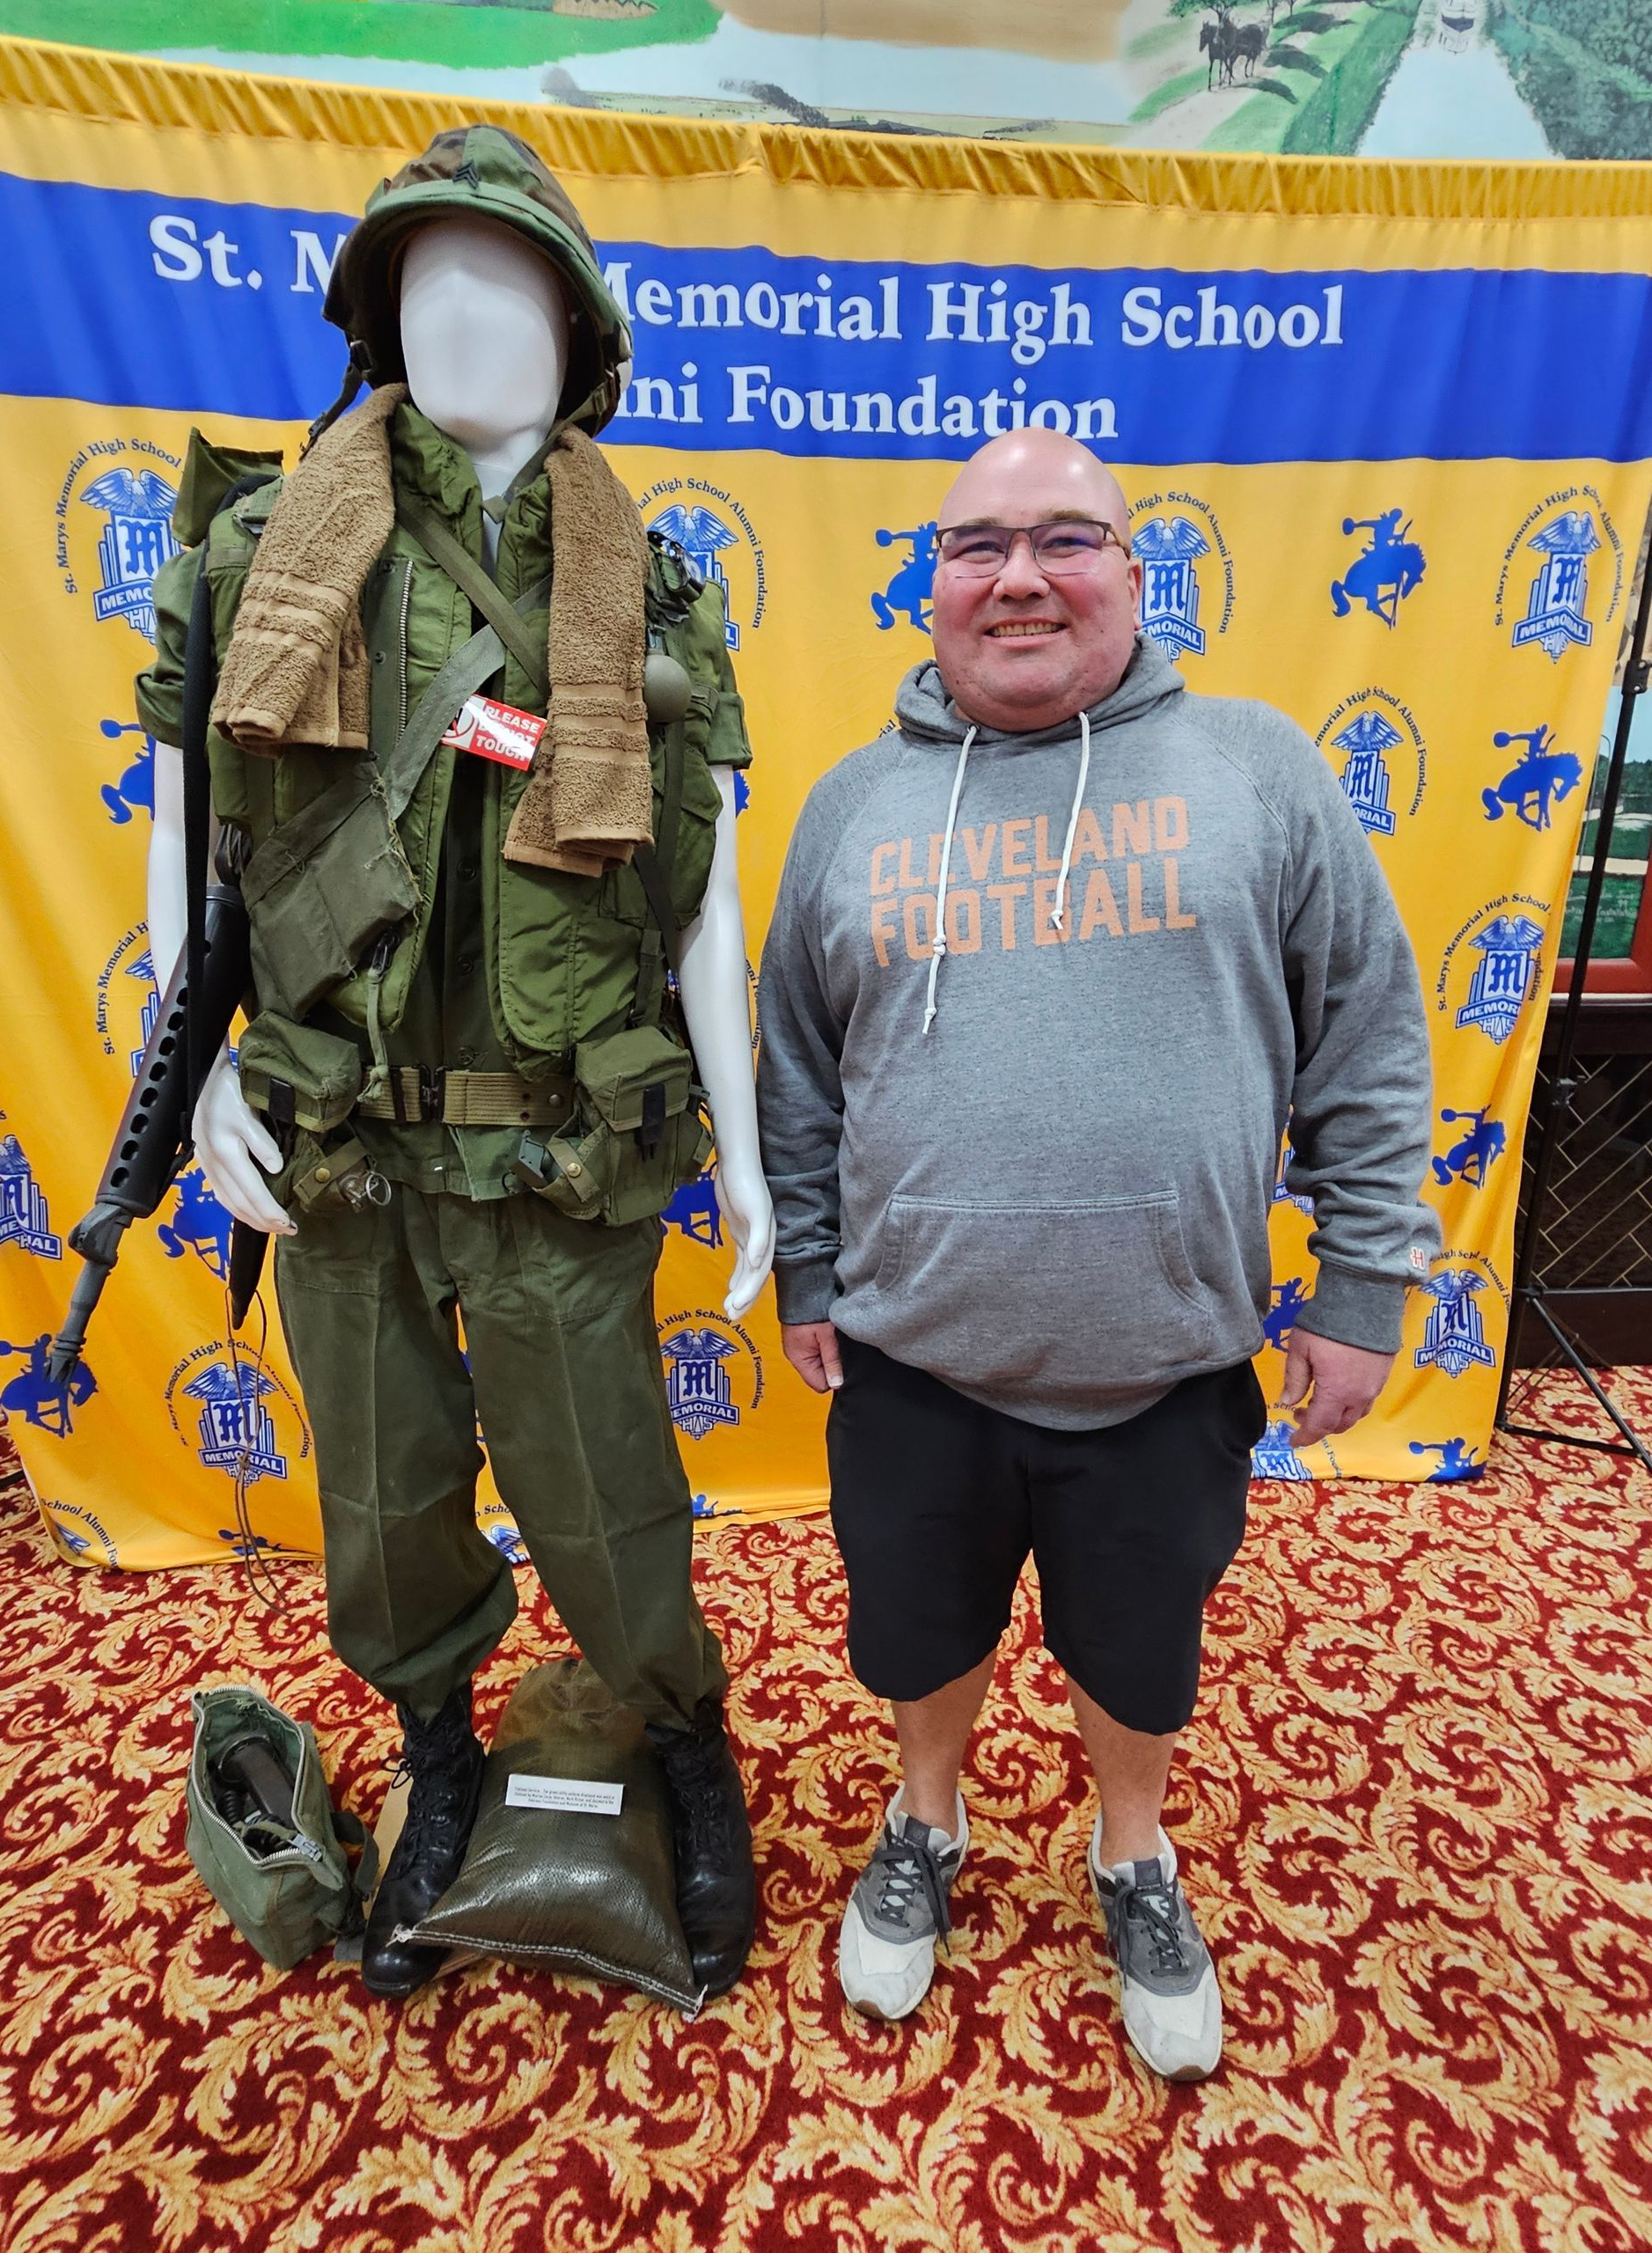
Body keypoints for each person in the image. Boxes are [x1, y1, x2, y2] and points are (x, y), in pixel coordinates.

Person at [136, 128, 773, 2001]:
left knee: (606, 1493)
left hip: (561, 1146)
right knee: (382, 1500)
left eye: (506, 282)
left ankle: (683, 1746)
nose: (463, 315)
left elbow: (705, 898)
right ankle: (436, 1755)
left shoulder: (650, 589)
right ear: (376, 317)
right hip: (333, 1136)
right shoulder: (263, 556)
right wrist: (203, 1080)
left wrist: (749, 1158)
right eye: (425, 282)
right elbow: (195, 857)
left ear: (580, 338)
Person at [757, 429, 1439, 2080]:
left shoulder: (1257, 768)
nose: (1019, 576)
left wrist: (1361, 1287)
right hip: (915, 1354)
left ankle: (1134, 1853)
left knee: (1140, 1650)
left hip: (1165, 1355)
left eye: (1066, 538)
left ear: (1135, 572)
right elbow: (795, 1070)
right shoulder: (851, 803)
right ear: (932, 584)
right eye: (978, 545)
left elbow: (1367, 1037)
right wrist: (807, 1271)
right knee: (920, 1636)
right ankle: (927, 1819)